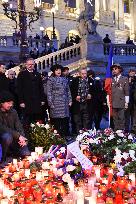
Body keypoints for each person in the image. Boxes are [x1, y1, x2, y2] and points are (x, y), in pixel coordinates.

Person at [0, 91, 30, 164]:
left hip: (15, 139)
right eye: (8, 103)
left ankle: (15, 154)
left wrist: (22, 138)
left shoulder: (13, 112)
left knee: (27, 154)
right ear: (1, 103)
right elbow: (2, 128)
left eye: (11, 103)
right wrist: (18, 136)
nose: (10, 105)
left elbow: (19, 126)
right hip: (3, 140)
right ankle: (3, 159)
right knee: (7, 136)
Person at [17, 58, 46, 133]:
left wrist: (42, 99)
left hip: (37, 102)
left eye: (32, 64)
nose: (30, 66)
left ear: (34, 65)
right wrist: (21, 101)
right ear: (26, 65)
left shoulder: (38, 74)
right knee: (27, 122)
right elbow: (19, 89)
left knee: (37, 121)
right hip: (26, 102)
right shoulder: (21, 74)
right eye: (29, 64)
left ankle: (37, 136)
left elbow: (41, 88)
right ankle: (28, 137)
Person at [47, 64, 72, 140]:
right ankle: (56, 137)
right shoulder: (50, 80)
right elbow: (49, 92)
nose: (59, 71)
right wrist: (50, 103)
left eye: (60, 70)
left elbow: (68, 91)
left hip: (64, 103)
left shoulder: (65, 79)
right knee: (56, 122)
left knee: (64, 121)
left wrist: (70, 100)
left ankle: (64, 136)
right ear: (54, 71)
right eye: (57, 70)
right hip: (55, 103)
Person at [70, 67, 95, 134]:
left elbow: (94, 91)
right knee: (77, 120)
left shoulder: (90, 80)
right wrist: (75, 96)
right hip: (77, 104)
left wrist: (90, 94)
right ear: (79, 74)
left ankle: (86, 135)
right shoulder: (75, 81)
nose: (84, 75)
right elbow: (71, 91)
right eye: (82, 73)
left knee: (86, 120)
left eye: (85, 73)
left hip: (87, 103)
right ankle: (78, 134)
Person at [111, 64, 129, 131]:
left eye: (115, 69)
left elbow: (126, 92)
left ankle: (121, 134)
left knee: (121, 119)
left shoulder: (124, 79)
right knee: (115, 119)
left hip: (121, 102)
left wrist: (126, 102)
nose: (114, 70)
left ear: (120, 69)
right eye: (113, 69)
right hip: (113, 102)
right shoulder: (111, 79)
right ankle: (116, 133)